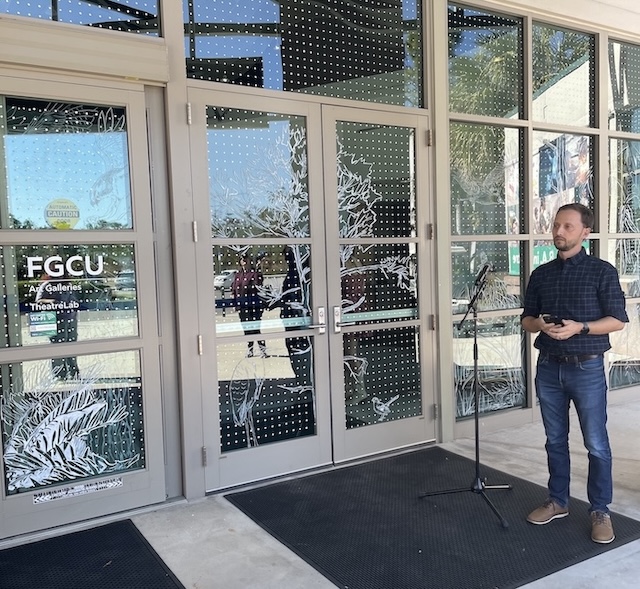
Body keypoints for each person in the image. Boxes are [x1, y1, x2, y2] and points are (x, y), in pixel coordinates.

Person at [521, 203, 628, 544]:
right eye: (556, 225)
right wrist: (539, 324)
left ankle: (600, 510)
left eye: (567, 226)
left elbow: (618, 321)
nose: (559, 232)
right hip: (549, 368)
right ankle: (558, 501)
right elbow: (526, 319)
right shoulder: (541, 273)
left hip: (587, 368)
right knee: (554, 440)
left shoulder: (602, 271)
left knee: (596, 443)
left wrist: (580, 327)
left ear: (585, 232)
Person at [35, 271, 80, 379]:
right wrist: (51, 302)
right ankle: (60, 374)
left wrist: (74, 304)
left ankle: (73, 372)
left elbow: (74, 299)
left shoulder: (67, 285)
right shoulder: (47, 285)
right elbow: (38, 301)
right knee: (58, 347)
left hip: (70, 318)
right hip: (55, 319)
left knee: (71, 345)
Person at [231, 253, 266, 357]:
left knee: (255, 328)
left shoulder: (254, 273)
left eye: (245, 259)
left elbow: (259, 284)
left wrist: (259, 268)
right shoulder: (238, 275)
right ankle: (250, 350)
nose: (244, 261)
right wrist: (234, 303)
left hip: (253, 306)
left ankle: (262, 350)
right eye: (242, 259)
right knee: (247, 329)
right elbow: (234, 289)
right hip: (242, 306)